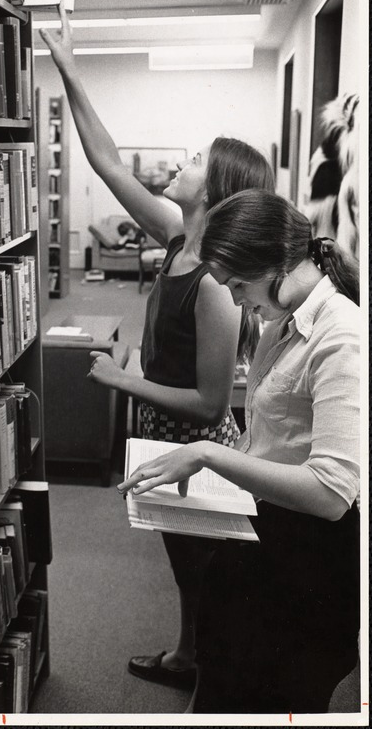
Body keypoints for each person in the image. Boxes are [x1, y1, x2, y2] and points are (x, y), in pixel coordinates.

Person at [40, 6, 276, 692]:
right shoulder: (177, 236)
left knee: (201, 563)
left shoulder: (212, 284)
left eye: (195, 160)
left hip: (192, 438)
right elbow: (106, 160)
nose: (180, 162)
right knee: (183, 560)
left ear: (219, 190)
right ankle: (189, 654)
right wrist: (68, 67)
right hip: (160, 432)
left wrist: (122, 380)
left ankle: (199, 660)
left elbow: (208, 404)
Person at [118, 190, 361, 714]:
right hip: (273, 535)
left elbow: (332, 494)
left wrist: (210, 456)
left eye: (237, 285)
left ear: (275, 262)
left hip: (317, 562)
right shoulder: (283, 320)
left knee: (266, 695)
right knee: (224, 672)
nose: (231, 300)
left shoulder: (341, 337)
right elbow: (274, 441)